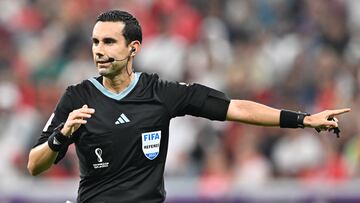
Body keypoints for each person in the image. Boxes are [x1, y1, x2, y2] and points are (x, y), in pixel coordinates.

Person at [27, 10, 350, 203]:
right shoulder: (76, 96)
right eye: (95, 42)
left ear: (133, 48)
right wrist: (61, 135)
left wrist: (304, 119)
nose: (99, 50)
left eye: (109, 42)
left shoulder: (161, 93)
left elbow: (235, 108)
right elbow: (34, 165)